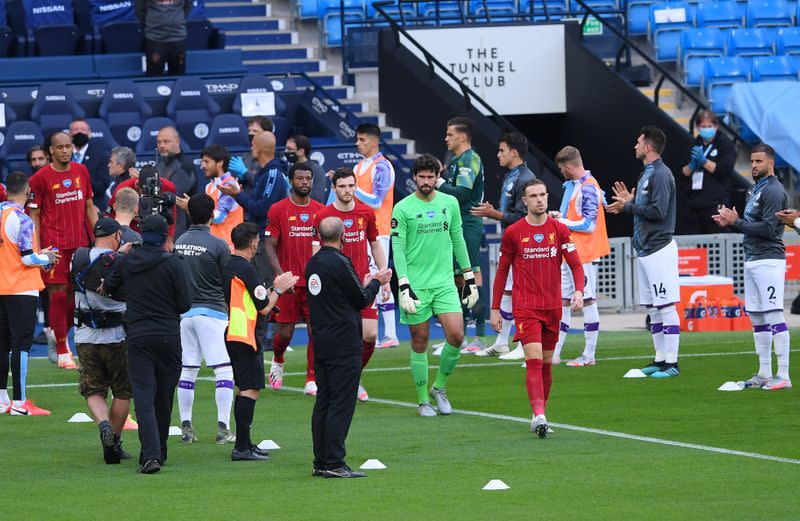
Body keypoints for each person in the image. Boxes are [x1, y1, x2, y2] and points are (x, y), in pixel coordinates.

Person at [490, 179, 584, 437]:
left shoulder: (560, 230)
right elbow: (502, 271)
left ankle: (538, 413)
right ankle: (540, 414)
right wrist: (495, 308)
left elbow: (576, 264)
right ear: (525, 201)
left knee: (546, 363)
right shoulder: (513, 233)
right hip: (526, 307)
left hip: (553, 307)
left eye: (543, 194)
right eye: (534, 196)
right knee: (533, 360)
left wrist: (578, 291)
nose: (540, 199)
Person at [103, 214, 192, 474]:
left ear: (140, 234)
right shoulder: (174, 263)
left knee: (143, 396)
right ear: (165, 236)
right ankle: (159, 450)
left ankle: (150, 455)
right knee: (163, 397)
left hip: (138, 334)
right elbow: (185, 304)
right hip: (168, 335)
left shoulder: (127, 262)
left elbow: (110, 287)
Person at [391, 154, 478, 416]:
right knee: (420, 340)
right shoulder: (402, 208)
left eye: (431, 176)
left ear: (437, 177)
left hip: (444, 284)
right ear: (414, 178)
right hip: (415, 285)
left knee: (457, 335)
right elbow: (398, 247)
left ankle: (438, 387)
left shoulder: (449, 203)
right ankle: (422, 401)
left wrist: (469, 276)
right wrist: (403, 284)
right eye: (422, 177)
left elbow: (458, 239)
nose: (426, 181)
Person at [307, 217, 392, 478]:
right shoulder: (340, 262)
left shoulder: (314, 262)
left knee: (324, 401)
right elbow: (361, 299)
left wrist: (365, 284)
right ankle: (334, 462)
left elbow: (340, 295)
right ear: (343, 235)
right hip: (343, 342)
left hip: (321, 341)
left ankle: (321, 461)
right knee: (340, 404)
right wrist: (376, 281)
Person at [607, 125, 681, 378]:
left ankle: (672, 363)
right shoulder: (648, 173)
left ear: (648, 147)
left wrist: (629, 206)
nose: (635, 146)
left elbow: (658, 213)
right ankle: (660, 359)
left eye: (638, 142)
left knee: (666, 305)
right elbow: (644, 209)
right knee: (653, 308)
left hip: (659, 247)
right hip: (646, 248)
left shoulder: (660, 174)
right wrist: (629, 204)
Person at [714, 144, 791, 390]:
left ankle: (784, 375)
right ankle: (764, 373)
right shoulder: (754, 189)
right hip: (753, 259)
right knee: (757, 317)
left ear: (771, 163)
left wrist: (737, 222)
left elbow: (769, 229)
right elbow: (750, 224)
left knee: (773, 315)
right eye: (752, 161)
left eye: (759, 161)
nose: (754, 165)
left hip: (769, 260)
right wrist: (733, 221)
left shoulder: (774, 191)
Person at [222, 223, 298, 461]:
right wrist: (279, 288)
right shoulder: (246, 268)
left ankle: (245, 444)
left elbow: (253, 297)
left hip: (234, 330)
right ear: (254, 243)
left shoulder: (228, 264)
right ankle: (242, 447)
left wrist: (270, 291)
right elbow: (264, 307)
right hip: (243, 333)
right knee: (250, 389)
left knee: (244, 388)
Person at [313, 168, 390, 403]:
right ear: (334, 188)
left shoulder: (366, 212)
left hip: (363, 284)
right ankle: (336, 378)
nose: (347, 190)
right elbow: (317, 251)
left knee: (370, 335)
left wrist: (383, 275)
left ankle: (354, 377)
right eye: (342, 186)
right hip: (336, 288)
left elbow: (375, 244)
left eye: (351, 186)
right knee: (342, 337)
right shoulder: (323, 215)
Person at [28, 131, 99, 370]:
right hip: (53, 248)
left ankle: (56, 335)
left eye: (68, 146)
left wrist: (99, 238)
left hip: (79, 245)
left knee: (74, 298)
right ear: (51, 151)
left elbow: (89, 206)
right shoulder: (39, 178)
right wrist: (37, 248)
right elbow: (34, 216)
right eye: (60, 147)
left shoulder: (82, 172)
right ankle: (62, 350)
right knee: (58, 294)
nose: (65, 151)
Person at [173, 194, 236, 444]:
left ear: (189, 214)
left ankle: (186, 428)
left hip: (185, 315)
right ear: (212, 215)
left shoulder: (179, 242)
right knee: (223, 369)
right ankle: (223, 428)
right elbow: (227, 281)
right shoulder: (218, 244)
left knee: (188, 369)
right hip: (212, 313)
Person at [70, 218, 132, 464]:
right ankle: (114, 444)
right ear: (117, 235)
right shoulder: (122, 262)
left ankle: (104, 425)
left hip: (84, 335)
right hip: (117, 336)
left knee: (93, 390)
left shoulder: (79, 256)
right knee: (122, 392)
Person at [471, 131, 536, 358]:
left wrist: (494, 213)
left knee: (521, 293)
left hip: (524, 244)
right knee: (508, 291)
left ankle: (524, 343)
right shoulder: (512, 175)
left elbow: (524, 218)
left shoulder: (526, 179)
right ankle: (501, 342)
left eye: (501, 150)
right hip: (510, 241)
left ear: (514, 152)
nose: (497, 154)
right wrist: (495, 212)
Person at [0, 171, 59, 416]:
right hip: (22, 288)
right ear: (27, 192)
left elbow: (14, 251)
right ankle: (20, 403)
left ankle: (3, 400)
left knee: (2, 344)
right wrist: (48, 257)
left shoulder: (1, 214)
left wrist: (37, 252)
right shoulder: (22, 219)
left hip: (2, 287)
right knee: (21, 345)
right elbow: (27, 257)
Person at [265, 163, 324, 395]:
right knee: (285, 334)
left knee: (315, 331)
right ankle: (278, 359)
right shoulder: (278, 209)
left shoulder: (321, 211)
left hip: (313, 283)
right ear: (291, 181)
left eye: (308, 178)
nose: (304, 182)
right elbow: (269, 245)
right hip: (288, 282)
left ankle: (312, 379)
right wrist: (280, 275)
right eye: (300, 178)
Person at [551, 146, 610, 367]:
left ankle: (589, 355)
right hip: (571, 253)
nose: (561, 173)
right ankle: (555, 352)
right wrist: (560, 217)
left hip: (584, 255)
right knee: (564, 302)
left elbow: (589, 224)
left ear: (568, 166)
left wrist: (562, 222)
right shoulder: (576, 186)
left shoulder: (587, 187)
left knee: (587, 301)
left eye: (561, 168)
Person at [344, 123, 398, 349]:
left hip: (380, 231)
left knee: (379, 276)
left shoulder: (383, 167)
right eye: (357, 139)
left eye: (362, 139)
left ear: (374, 142)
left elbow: (376, 200)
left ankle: (390, 334)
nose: (357, 143)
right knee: (365, 278)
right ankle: (372, 333)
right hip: (360, 230)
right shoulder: (359, 167)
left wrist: (349, 189)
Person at [437, 116, 485, 354]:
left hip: (468, 224)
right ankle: (462, 336)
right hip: (458, 224)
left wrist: (438, 183)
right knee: (459, 280)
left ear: (462, 136)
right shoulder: (457, 160)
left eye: (449, 134)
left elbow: (462, 194)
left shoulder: (469, 159)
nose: (446, 138)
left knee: (472, 277)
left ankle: (481, 337)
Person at [221, 131, 288, 286]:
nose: (251, 149)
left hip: (267, 240)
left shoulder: (272, 174)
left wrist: (237, 195)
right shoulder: (265, 173)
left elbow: (261, 209)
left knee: (268, 283)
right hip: (261, 239)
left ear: (258, 148)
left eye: (252, 146)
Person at [679, 110, 737, 235]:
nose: (706, 129)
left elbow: (724, 171)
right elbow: (682, 172)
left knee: (716, 239)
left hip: (716, 202)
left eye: (709, 126)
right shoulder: (693, 144)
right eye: (703, 126)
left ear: (716, 127)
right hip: (694, 203)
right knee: (697, 241)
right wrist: (692, 165)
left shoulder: (725, 144)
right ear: (697, 127)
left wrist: (704, 161)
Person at [107, 165, 178, 250]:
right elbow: (109, 215)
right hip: (130, 231)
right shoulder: (123, 190)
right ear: (137, 186)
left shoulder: (168, 187)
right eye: (145, 193)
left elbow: (171, 207)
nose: (149, 196)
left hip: (155, 231)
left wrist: (169, 240)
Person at [188, 144, 243, 249]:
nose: (202, 166)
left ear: (220, 163)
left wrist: (194, 209)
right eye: (202, 162)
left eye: (207, 162)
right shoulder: (208, 186)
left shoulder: (230, 185)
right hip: (214, 246)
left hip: (230, 248)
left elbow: (219, 217)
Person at [155, 126, 198, 237]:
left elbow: (172, 196)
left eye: (166, 141)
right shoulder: (159, 166)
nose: (162, 145)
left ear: (177, 142)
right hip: (162, 229)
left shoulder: (185, 166)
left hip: (181, 231)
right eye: (159, 142)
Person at [135, 0, 192, 76]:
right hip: (154, 40)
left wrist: (177, 21)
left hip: (178, 40)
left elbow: (188, 7)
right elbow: (140, 10)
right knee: (153, 78)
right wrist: (153, 25)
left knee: (179, 77)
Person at [70, 119, 111, 211]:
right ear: (69, 134)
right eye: (75, 129)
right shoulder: (63, 155)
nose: (79, 132)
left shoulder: (102, 155)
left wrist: (79, 178)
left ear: (89, 133)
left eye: (83, 129)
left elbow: (103, 185)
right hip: (68, 206)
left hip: (94, 206)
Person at [228, 116, 274, 198]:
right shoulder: (246, 155)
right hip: (247, 203)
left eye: (255, 131)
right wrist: (241, 179)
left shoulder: (272, 156)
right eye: (249, 130)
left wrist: (245, 173)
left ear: (266, 134)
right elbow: (243, 185)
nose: (250, 133)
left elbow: (264, 186)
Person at [286, 135, 327, 203]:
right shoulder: (288, 168)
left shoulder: (316, 170)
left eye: (289, 149)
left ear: (301, 151)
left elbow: (317, 198)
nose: (286, 151)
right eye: (286, 149)